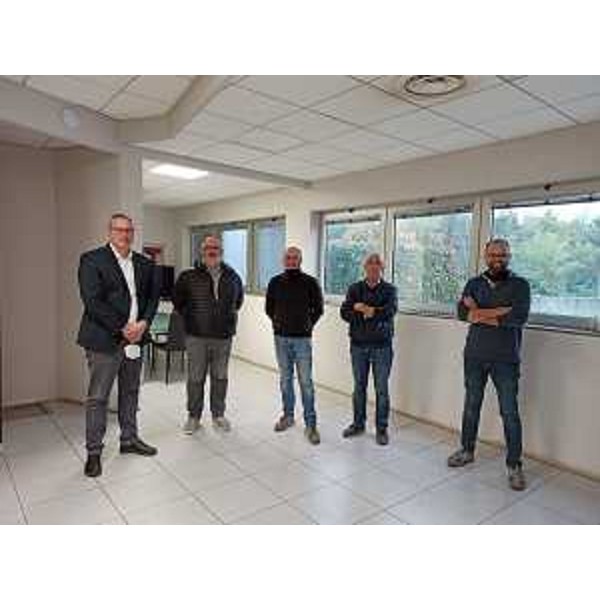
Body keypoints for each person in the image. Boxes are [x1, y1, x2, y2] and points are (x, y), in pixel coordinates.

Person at [78, 213, 160, 478]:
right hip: (104, 340)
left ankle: (129, 439)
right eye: (119, 229)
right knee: (98, 398)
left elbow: (152, 298)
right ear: (110, 231)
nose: (125, 234)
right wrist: (124, 328)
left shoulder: (144, 263)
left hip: (136, 339)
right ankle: (93, 452)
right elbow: (93, 301)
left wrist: (144, 323)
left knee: (131, 392)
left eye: (129, 230)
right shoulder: (92, 260)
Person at [447, 238, 531, 491]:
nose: (497, 259)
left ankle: (514, 465)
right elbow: (462, 314)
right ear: (486, 257)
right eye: (493, 255)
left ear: (509, 257)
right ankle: (467, 450)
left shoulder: (520, 285)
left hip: (506, 359)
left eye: (502, 255)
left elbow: (518, 317)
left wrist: (479, 312)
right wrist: (499, 311)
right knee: (471, 406)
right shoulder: (474, 283)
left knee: (509, 412)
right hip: (474, 356)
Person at [174, 235, 244, 434]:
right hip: (196, 336)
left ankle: (218, 415)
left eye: (216, 248)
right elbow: (178, 302)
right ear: (202, 251)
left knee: (220, 377)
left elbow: (238, 302)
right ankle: (193, 417)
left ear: (221, 252)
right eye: (208, 248)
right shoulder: (188, 276)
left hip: (223, 337)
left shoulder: (233, 276)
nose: (212, 251)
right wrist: (192, 318)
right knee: (195, 378)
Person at [265, 246, 324, 445]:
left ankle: (311, 424)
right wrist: (279, 323)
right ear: (284, 260)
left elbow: (319, 309)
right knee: (285, 380)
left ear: (300, 260)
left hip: (302, 340)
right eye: (288, 257)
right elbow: (269, 308)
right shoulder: (275, 282)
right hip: (281, 338)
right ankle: (288, 416)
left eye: (295, 258)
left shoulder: (310, 282)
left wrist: (307, 325)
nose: (291, 261)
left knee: (306, 382)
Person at [340, 253, 398, 445]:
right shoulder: (354, 289)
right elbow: (344, 313)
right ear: (364, 268)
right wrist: (364, 312)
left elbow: (390, 311)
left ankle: (381, 429)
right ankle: (358, 424)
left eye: (377, 264)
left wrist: (366, 309)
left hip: (382, 347)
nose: (373, 267)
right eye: (370, 264)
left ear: (381, 268)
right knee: (359, 387)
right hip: (358, 346)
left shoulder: (390, 290)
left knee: (381, 389)